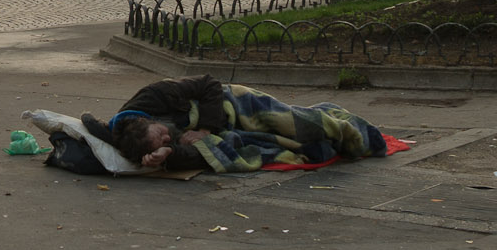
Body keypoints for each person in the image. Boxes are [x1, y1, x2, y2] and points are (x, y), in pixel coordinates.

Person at [98, 75, 389, 172]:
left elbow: (209, 84)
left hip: (236, 102)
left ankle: (355, 133)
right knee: (295, 144)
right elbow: (197, 154)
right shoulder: (141, 139)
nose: (166, 139)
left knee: (302, 124)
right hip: (230, 130)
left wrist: (205, 129)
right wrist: (167, 156)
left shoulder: (157, 94)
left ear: (147, 120)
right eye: (162, 143)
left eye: (161, 135)